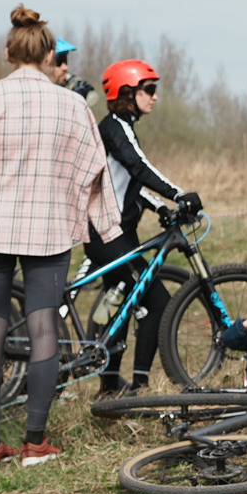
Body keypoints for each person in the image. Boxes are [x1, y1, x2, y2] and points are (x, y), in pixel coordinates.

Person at [0, 6, 121, 470]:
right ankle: (36, 443)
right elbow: (95, 170)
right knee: (44, 330)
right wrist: (107, 225)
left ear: (7, 52)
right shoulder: (74, 106)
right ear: (50, 55)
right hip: (50, 232)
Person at [90, 58, 200, 396]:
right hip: (110, 235)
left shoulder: (119, 126)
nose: (155, 96)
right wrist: (178, 194)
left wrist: (160, 207)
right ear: (127, 92)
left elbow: (128, 182)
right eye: (149, 90)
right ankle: (139, 385)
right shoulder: (116, 127)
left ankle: (109, 386)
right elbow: (139, 166)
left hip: (115, 233)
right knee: (159, 302)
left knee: (120, 304)